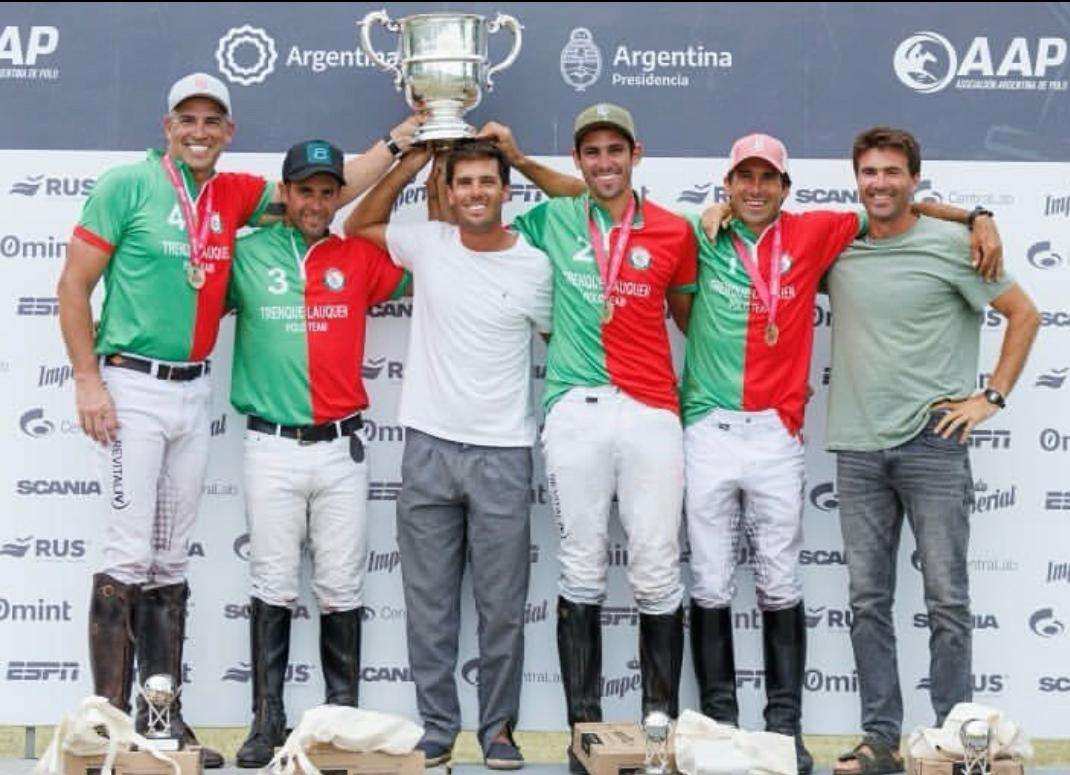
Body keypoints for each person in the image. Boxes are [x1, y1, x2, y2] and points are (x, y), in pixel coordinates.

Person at [57, 72, 418, 768]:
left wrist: (405, 138)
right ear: (168, 127)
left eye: (211, 121)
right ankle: (109, 724)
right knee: (129, 552)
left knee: (168, 556)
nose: (198, 131)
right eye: (186, 119)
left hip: (193, 390)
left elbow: (336, 182)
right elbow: (73, 284)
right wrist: (85, 377)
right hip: (131, 381)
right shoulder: (124, 186)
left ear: (229, 131)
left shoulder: (236, 194)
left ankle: (163, 717)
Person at [679, 134, 1003, 774]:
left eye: (766, 178)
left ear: (784, 188)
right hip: (707, 425)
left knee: (783, 582)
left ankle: (784, 733)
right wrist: (702, 218)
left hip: (778, 430)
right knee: (710, 580)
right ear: (727, 186)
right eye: (742, 178)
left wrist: (976, 215)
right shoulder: (699, 232)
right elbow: (620, 221)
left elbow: (898, 209)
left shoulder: (817, 230)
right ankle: (718, 725)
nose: (754, 188)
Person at [480, 104, 697, 769]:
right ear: (578, 161)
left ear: (637, 153)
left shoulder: (675, 230)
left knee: (657, 569)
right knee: (581, 565)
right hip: (576, 405)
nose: (605, 163)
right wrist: (508, 161)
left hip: (652, 409)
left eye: (615, 150)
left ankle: (656, 732)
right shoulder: (552, 218)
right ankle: (588, 738)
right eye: (592, 153)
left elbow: (691, 321)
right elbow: (475, 224)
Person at [825, 127, 1039, 775]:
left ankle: (954, 738)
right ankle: (881, 740)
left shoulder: (954, 247)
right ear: (856, 178)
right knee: (867, 600)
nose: (880, 183)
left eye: (893, 172)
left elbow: (1023, 314)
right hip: (857, 446)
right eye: (869, 172)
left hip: (932, 443)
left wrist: (991, 397)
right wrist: (976, 211)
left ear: (915, 178)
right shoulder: (840, 245)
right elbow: (765, 227)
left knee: (947, 598)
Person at [345, 140, 552, 770]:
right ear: (451, 191)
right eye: (463, 183)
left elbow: (556, 338)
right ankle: (437, 726)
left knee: (501, 607)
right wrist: (409, 165)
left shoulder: (537, 266)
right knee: (429, 605)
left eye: (487, 182)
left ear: (505, 191)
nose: (475, 193)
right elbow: (359, 225)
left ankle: (498, 731)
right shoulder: (428, 242)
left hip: (504, 453)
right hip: (428, 448)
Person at [226, 140, 410, 768]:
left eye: (327, 191)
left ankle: (341, 720)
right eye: (304, 190)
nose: (315, 202)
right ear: (285, 193)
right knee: (272, 583)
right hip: (271, 445)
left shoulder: (359, 255)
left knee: (340, 586)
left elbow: (441, 260)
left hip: (341, 448)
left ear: (338, 197)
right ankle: (265, 721)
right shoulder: (245, 253)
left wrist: (415, 165)